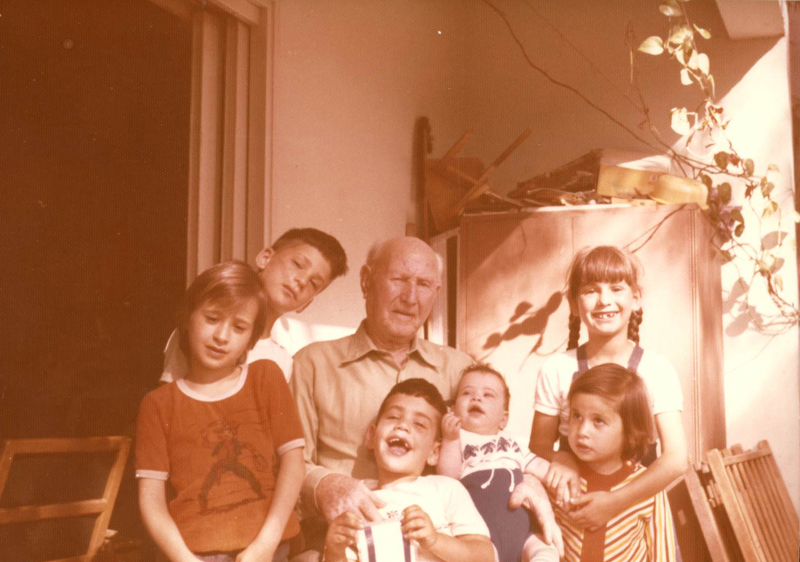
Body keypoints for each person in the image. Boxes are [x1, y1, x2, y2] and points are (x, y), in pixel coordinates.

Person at [291, 237, 550, 558]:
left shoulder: (459, 370)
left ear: (436, 293)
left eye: (424, 284)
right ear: (366, 281)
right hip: (341, 543)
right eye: (399, 279)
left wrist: (531, 482)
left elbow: (495, 445)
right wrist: (325, 486)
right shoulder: (314, 364)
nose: (410, 297)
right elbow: (288, 462)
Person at [136, 261, 305, 562]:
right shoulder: (158, 405)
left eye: (239, 327)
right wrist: (185, 559)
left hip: (272, 546)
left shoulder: (266, 378)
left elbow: (294, 464)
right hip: (194, 554)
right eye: (212, 318)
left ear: (252, 338)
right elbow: (152, 500)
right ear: (187, 318)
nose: (222, 336)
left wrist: (266, 544)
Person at [530, 245, 687, 531]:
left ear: (636, 299)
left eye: (616, 289)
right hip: (573, 510)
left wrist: (614, 503)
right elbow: (538, 445)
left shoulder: (657, 369)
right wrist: (562, 457)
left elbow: (676, 459)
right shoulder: (557, 368)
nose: (604, 300)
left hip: (635, 512)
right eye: (591, 290)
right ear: (574, 304)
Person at [323, 378, 495, 562]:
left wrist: (435, 541)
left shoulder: (446, 489)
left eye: (419, 424)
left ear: (434, 452)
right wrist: (335, 551)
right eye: (393, 417)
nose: (403, 426)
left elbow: (485, 556)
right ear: (371, 436)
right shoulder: (356, 497)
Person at [161, 228, 348, 384]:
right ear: (265, 258)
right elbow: (168, 402)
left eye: (314, 283)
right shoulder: (205, 333)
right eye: (298, 264)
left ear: (306, 304)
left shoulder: (282, 362)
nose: (302, 280)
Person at [437, 365, 561, 562]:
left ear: (503, 419)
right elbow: (447, 478)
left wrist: (560, 481)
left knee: (544, 548)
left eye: (488, 395)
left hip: (523, 530)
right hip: (482, 536)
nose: (476, 398)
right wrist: (450, 440)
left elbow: (539, 467)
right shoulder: (457, 439)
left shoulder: (512, 443)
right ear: (452, 410)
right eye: (467, 393)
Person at [556, 363, 677, 561]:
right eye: (577, 416)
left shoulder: (648, 488)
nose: (582, 431)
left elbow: (663, 556)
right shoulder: (563, 478)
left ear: (629, 430)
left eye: (598, 421)